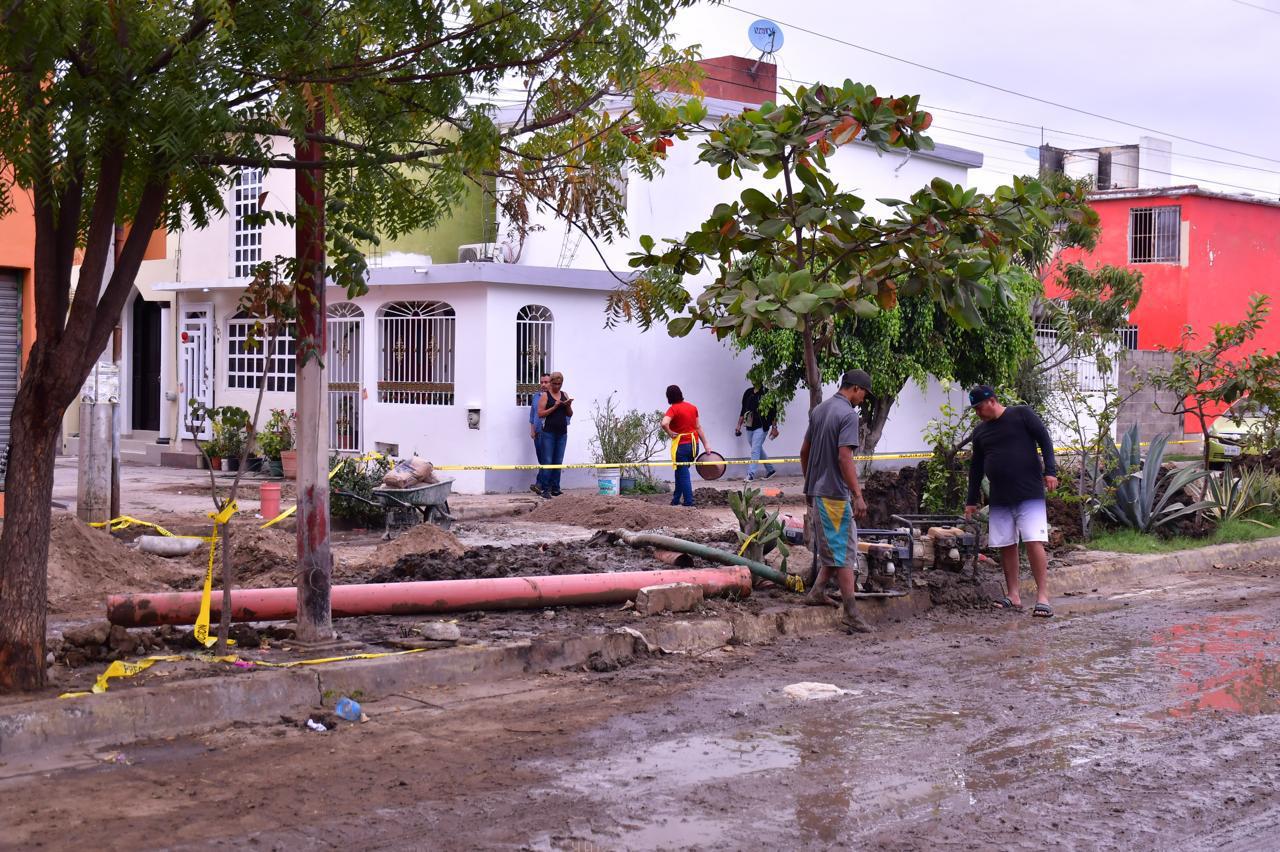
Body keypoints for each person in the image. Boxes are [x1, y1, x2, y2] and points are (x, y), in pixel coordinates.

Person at [963, 385, 1059, 618]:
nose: (977, 412)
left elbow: (1044, 439)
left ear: (992, 401)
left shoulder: (1021, 414)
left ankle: (1042, 597)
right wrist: (971, 500)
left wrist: (1051, 471)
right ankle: (1013, 595)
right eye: (974, 409)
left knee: (1034, 541)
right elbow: (976, 468)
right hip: (1000, 496)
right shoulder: (980, 432)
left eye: (979, 407)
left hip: (1029, 492)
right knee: (1007, 544)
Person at [800, 369, 873, 634]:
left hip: (819, 491)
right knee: (844, 552)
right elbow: (845, 458)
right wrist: (858, 495)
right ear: (855, 389)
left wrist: (809, 483)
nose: (863, 399)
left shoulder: (819, 410)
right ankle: (851, 613)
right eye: (864, 394)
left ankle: (817, 592)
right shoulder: (848, 416)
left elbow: (803, 451)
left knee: (834, 546)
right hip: (835, 495)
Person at [662, 385, 711, 508]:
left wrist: (669, 432)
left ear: (668, 396)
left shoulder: (673, 409)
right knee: (680, 472)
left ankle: (689, 502)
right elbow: (698, 427)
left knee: (683, 474)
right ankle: (676, 499)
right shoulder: (692, 407)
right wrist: (706, 445)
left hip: (681, 446)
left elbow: (664, 423)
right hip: (694, 445)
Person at [536, 372, 573, 499]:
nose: (557, 386)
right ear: (551, 383)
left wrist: (567, 405)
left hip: (562, 433)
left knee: (558, 461)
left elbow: (569, 414)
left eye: (559, 384)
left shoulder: (564, 395)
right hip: (548, 433)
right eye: (555, 384)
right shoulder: (545, 396)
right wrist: (555, 407)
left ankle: (556, 488)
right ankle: (545, 488)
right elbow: (540, 414)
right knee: (547, 461)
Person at [736, 383, 779, 481]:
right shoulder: (748, 392)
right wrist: (738, 425)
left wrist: (774, 427)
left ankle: (750, 474)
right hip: (749, 425)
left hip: (762, 426)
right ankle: (770, 470)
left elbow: (773, 412)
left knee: (755, 449)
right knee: (757, 448)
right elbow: (743, 410)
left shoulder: (767, 393)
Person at [528, 373, 551, 495]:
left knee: (547, 460)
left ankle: (540, 484)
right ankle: (543, 484)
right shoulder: (536, 396)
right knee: (542, 460)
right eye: (542, 382)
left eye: (546, 382)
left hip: (548, 432)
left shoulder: (553, 397)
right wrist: (532, 430)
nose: (543, 384)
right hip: (537, 433)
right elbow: (532, 415)